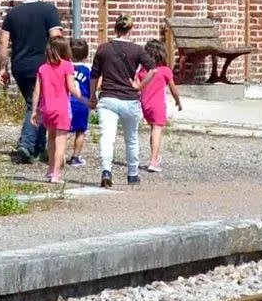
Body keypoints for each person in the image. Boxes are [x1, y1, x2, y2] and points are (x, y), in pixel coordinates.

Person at [0, 0, 64, 164]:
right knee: (33, 105)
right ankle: (26, 145)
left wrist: (3, 68)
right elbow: (56, 36)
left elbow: (3, 42)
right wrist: (60, 63)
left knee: (40, 104)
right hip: (43, 66)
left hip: (20, 66)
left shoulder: (13, 14)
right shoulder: (49, 10)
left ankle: (39, 146)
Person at [90, 15, 148, 188]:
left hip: (108, 97)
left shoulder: (103, 49)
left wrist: (92, 95)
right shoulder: (138, 50)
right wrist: (140, 85)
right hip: (130, 99)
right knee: (131, 138)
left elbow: (94, 75)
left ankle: (106, 170)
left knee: (107, 136)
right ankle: (132, 174)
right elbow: (153, 69)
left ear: (114, 28)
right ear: (130, 29)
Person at [29, 34, 82, 184]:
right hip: (62, 109)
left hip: (47, 109)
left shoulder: (42, 68)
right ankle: (56, 174)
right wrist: (84, 100)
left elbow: (36, 92)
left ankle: (50, 169)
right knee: (61, 142)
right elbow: (71, 88)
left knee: (51, 140)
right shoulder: (67, 66)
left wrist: (34, 110)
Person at [138, 38, 183, 173]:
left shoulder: (143, 71)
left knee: (153, 130)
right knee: (157, 131)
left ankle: (155, 156)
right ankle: (153, 160)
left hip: (145, 105)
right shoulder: (165, 71)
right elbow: (173, 88)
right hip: (158, 105)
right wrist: (178, 100)